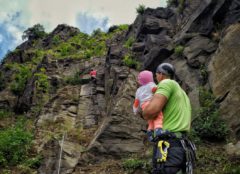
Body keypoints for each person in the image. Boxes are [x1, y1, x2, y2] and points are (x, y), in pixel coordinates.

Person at [142, 63, 194, 174]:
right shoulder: (183, 94)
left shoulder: (165, 83)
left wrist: (144, 110)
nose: (156, 77)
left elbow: (151, 111)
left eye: (156, 74)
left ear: (161, 74)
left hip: (168, 145)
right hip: (182, 145)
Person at [133, 70, 164, 142]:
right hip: (151, 103)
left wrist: (135, 111)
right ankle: (159, 131)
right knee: (158, 116)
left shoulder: (138, 90)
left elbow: (136, 102)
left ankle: (150, 132)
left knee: (150, 120)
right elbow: (156, 90)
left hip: (144, 107)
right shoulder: (151, 84)